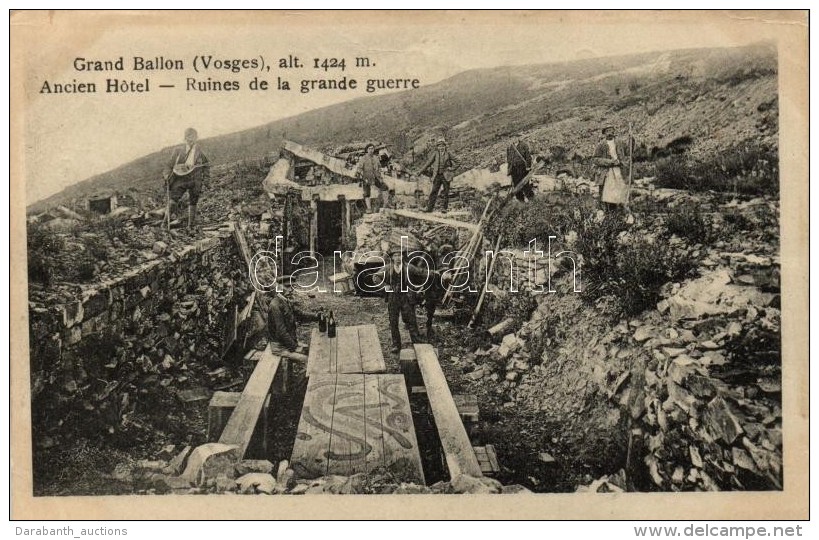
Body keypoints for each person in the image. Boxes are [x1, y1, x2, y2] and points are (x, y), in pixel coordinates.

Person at [377, 249, 430, 353]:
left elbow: (422, 272)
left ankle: (416, 340)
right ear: (392, 258)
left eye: (399, 255)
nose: (398, 258)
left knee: (411, 319)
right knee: (393, 321)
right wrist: (384, 286)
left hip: (406, 297)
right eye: (395, 255)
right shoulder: (387, 268)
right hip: (393, 297)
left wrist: (437, 274)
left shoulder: (408, 267)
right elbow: (376, 277)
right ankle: (396, 344)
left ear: (402, 257)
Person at [162, 127, 210, 229]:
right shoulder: (178, 150)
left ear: (196, 138)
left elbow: (206, 165)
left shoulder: (199, 151)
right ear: (185, 138)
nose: (191, 139)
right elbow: (169, 165)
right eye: (189, 136)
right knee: (173, 200)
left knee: (193, 201)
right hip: (180, 178)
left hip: (195, 179)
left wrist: (206, 179)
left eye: (193, 136)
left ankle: (190, 226)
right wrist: (166, 175)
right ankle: (165, 223)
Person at [591, 125, 632, 212]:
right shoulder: (601, 145)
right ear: (604, 133)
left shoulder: (620, 143)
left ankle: (621, 211)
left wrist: (632, 141)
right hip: (606, 172)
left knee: (621, 192)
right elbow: (595, 159)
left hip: (619, 171)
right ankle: (609, 212)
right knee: (607, 194)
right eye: (607, 131)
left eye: (611, 130)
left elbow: (629, 154)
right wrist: (610, 162)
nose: (610, 132)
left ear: (614, 132)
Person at [415, 138, 459, 213]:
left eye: (442, 146)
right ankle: (429, 209)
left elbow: (458, 162)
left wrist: (451, 169)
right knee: (434, 192)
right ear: (437, 147)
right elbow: (428, 163)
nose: (441, 148)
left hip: (446, 175)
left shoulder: (448, 154)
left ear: (445, 146)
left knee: (446, 192)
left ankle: (444, 208)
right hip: (437, 176)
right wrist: (420, 171)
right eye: (439, 146)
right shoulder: (436, 154)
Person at [356, 143, 390, 213]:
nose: (371, 150)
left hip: (376, 177)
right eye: (369, 149)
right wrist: (361, 176)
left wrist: (380, 176)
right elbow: (359, 168)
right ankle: (369, 209)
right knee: (367, 193)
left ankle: (385, 204)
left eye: (372, 148)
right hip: (366, 177)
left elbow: (379, 167)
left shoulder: (376, 158)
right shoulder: (363, 158)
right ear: (367, 150)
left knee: (385, 187)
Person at [507, 136, 535, 202]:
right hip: (514, 169)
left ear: (518, 137)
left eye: (515, 137)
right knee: (516, 186)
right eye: (511, 137)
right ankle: (521, 201)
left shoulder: (523, 145)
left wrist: (528, 166)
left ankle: (532, 200)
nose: (513, 139)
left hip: (522, 168)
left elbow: (528, 157)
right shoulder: (509, 147)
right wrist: (509, 170)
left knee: (525, 185)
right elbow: (509, 160)